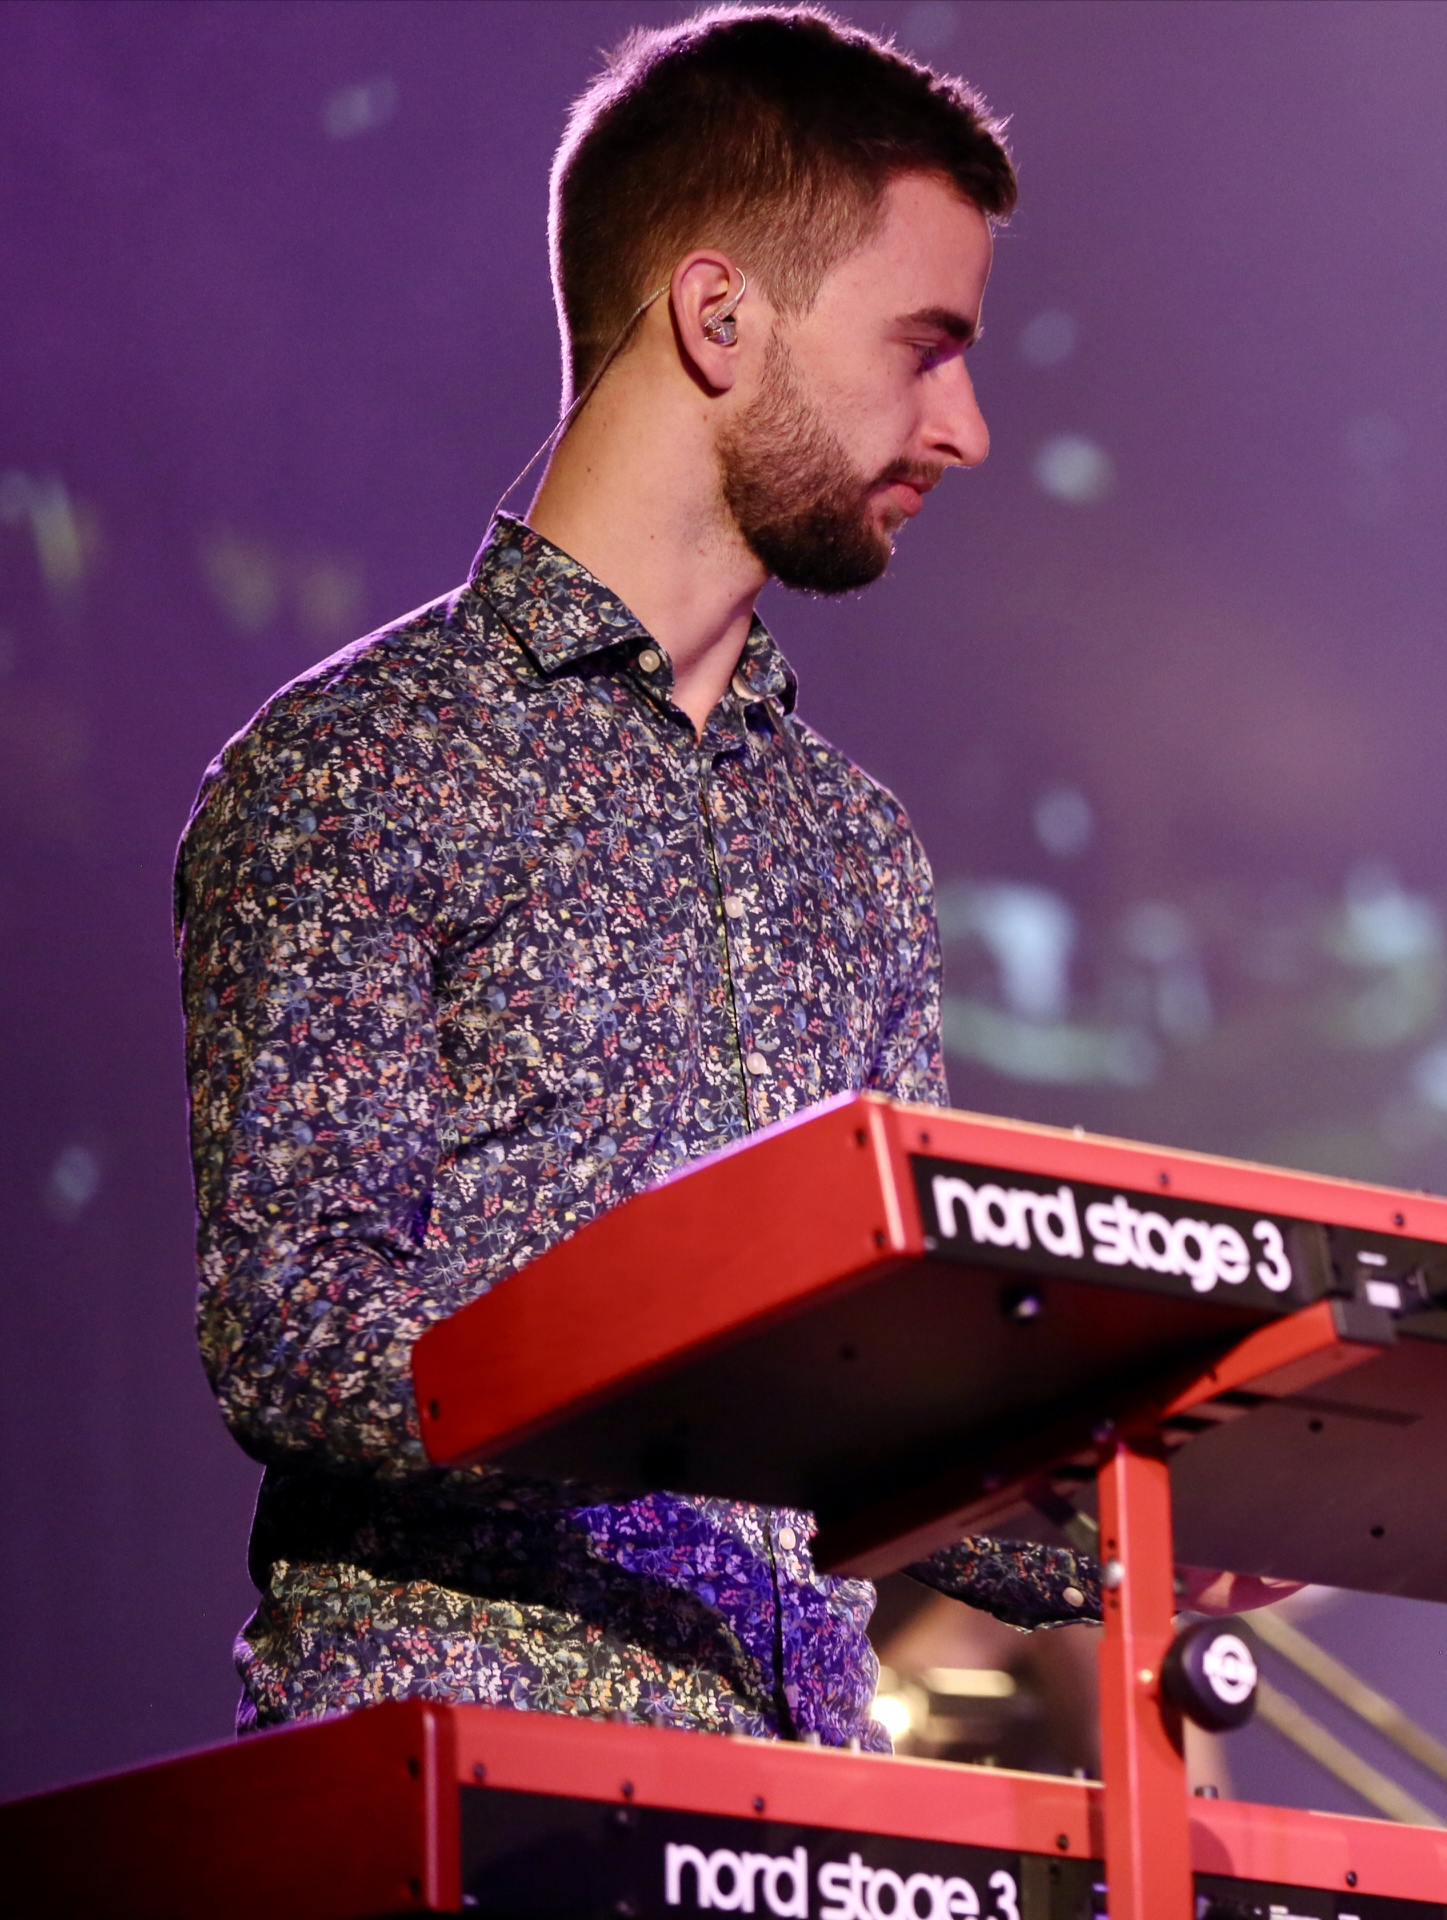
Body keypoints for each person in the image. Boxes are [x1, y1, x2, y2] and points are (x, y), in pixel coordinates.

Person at [174, 5, 1095, 1751]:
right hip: (472, 1776)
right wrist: (707, 1396)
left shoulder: (857, 847)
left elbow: (899, 1409)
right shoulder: (355, 768)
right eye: (927, 345)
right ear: (718, 314)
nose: (966, 426)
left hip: (816, 1805)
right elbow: (296, 1325)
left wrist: (1160, 1516)